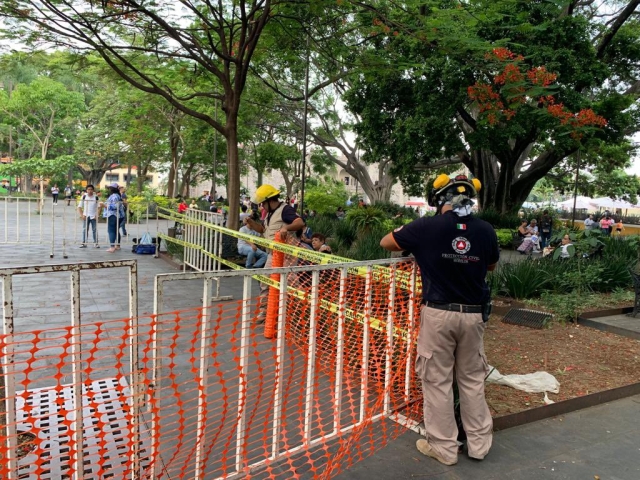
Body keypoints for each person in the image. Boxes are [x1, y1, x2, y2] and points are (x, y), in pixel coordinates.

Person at [380, 173, 498, 466]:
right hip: (473, 316)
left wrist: (420, 247)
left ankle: (444, 449)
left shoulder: (425, 227)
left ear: (437, 200)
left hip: (438, 314)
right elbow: (491, 265)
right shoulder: (486, 230)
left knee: (438, 380)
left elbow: (387, 242)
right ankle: (479, 446)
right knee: (471, 379)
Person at [246, 184, 305, 323]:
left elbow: (300, 222)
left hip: (286, 256)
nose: (261, 206)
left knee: (291, 284)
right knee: (265, 282)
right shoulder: (270, 213)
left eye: (262, 203)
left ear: (269, 201)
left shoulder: (285, 210)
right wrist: (251, 222)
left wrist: (286, 228)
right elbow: (262, 230)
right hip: (273, 254)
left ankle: (302, 313)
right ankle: (264, 312)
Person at [101, 183, 125, 252]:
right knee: (116, 230)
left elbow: (114, 207)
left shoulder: (114, 196)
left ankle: (112, 247)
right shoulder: (118, 195)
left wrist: (104, 205)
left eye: (109, 188)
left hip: (113, 215)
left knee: (111, 230)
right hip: (119, 215)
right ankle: (117, 245)